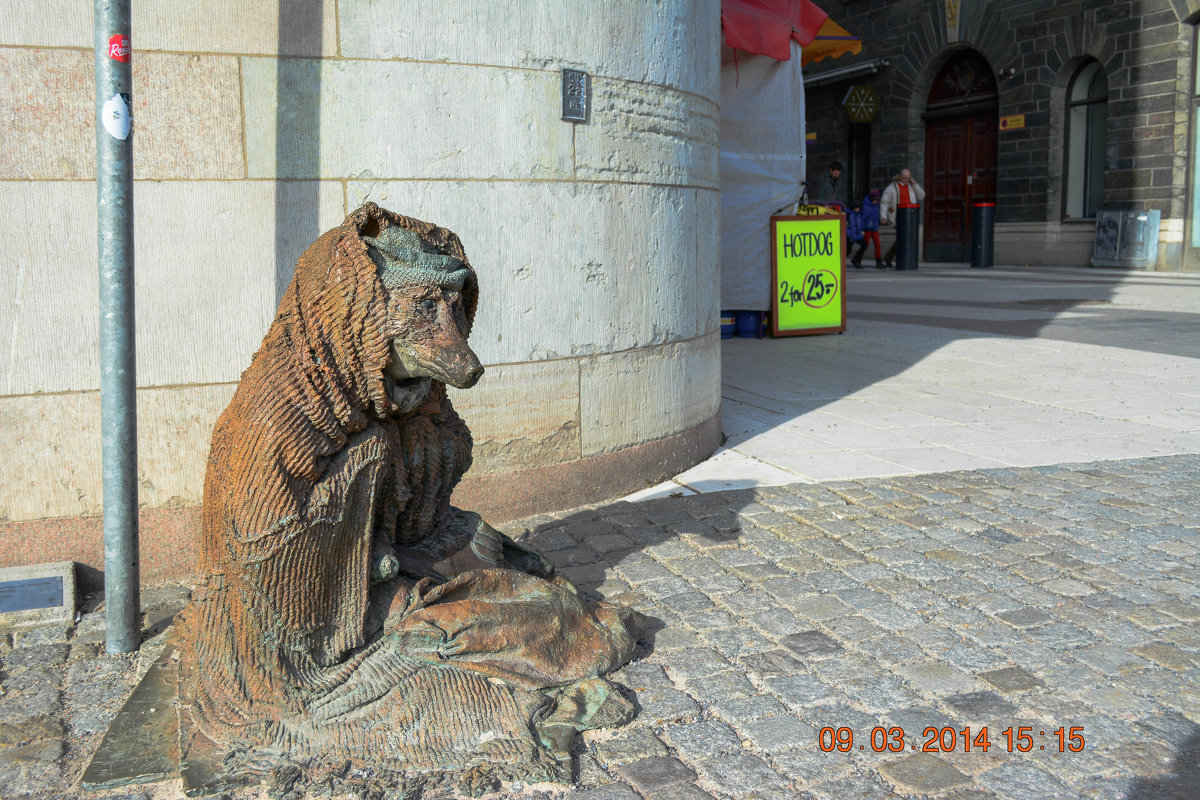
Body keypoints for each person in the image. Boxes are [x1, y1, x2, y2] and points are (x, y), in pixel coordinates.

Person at [880, 168, 926, 268]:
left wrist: (915, 185)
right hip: (897, 216)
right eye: (905, 178)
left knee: (902, 238)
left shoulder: (911, 186)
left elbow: (922, 196)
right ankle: (891, 257)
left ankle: (889, 257)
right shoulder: (892, 188)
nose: (907, 180)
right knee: (902, 238)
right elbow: (884, 202)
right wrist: (883, 216)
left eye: (908, 178)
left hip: (910, 215)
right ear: (900, 177)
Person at [850, 189, 882, 268]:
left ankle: (879, 261)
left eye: (877, 200)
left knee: (877, 245)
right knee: (865, 245)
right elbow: (863, 218)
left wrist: (877, 223)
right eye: (875, 200)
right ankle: (857, 259)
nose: (876, 201)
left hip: (874, 228)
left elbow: (877, 215)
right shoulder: (866, 206)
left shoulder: (876, 205)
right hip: (867, 229)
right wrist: (861, 229)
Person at [846, 198, 865, 269]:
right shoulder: (849, 214)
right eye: (856, 208)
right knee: (848, 250)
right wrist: (850, 235)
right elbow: (847, 226)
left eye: (859, 207)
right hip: (850, 235)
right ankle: (841, 263)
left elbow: (860, 224)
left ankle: (856, 260)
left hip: (856, 234)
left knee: (864, 245)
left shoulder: (858, 214)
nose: (858, 209)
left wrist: (861, 231)